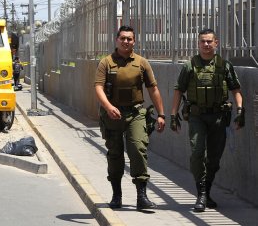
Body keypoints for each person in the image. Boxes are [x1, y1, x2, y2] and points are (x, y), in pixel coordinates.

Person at [170, 28, 245, 212]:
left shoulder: (225, 66)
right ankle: (201, 193)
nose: (206, 44)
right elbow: (179, 90)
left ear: (216, 43)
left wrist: (241, 110)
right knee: (197, 152)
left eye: (209, 41)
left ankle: (207, 192)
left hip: (219, 117)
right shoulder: (190, 66)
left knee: (214, 158)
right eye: (203, 41)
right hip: (197, 116)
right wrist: (173, 115)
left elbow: (236, 90)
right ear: (198, 44)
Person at [94, 25, 166, 210]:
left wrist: (161, 114)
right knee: (115, 154)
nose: (126, 41)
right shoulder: (106, 62)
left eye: (129, 39)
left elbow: (153, 89)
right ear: (116, 40)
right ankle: (116, 195)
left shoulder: (141, 63)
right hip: (113, 115)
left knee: (138, 149)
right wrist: (108, 107)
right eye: (123, 38)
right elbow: (98, 88)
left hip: (135, 113)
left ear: (134, 41)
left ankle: (141, 196)